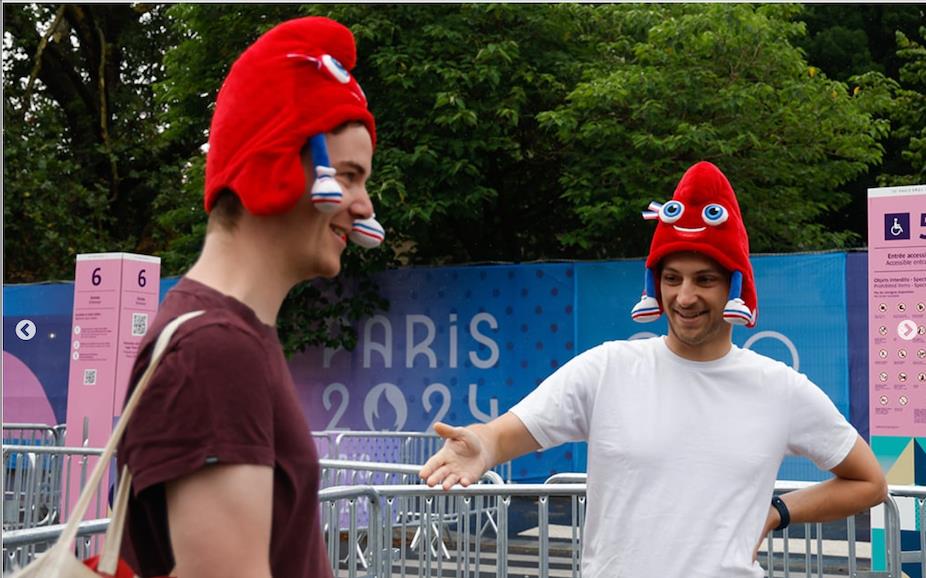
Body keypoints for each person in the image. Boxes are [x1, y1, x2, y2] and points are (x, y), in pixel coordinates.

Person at [420, 161, 887, 578]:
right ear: (655, 283)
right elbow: (506, 434)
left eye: (705, 279)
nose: (684, 297)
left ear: (735, 286)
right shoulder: (607, 369)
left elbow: (869, 482)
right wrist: (482, 444)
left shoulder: (779, 388)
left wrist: (776, 512)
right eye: (672, 278)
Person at [116, 17, 383, 578]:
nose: (364, 208)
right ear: (280, 165)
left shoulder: (227, 336)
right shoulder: (215, 352)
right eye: (350, 176)